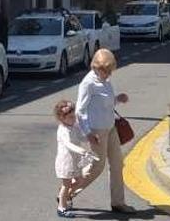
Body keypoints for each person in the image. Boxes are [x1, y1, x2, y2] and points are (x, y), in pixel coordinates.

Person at [71, 49, 135, 214]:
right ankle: (67, 192)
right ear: (96, 67)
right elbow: (80, 110)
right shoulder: (88, 83)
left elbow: (104, 103)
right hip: (97, 130)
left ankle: (118, 202)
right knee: (96, 167)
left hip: (110, 127)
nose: (109, 74)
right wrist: (88, 133)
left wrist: (117, 99)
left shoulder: (105, 81)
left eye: (110, 71)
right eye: (106, 71)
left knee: (117, 164)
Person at [54, 100, 97, 218]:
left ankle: (63, 195)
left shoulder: (74, 126)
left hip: (75, 161)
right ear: (61, 118)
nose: (73, 119)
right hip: (66, 162)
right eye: (70, 117)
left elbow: (81, 137)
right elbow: (68, 144)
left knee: (79, 181)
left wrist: (90, 138)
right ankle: (61, 208)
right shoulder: (63, 130)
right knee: (66, 184)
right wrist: (81, 150)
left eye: (74, 116)